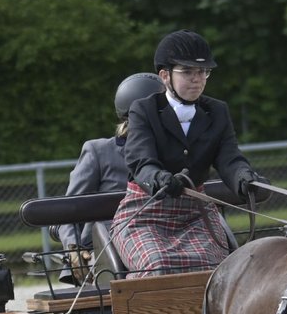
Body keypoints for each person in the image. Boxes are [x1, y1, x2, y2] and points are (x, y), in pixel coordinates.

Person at [111, 29, 266, 276]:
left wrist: (244, 178)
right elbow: (140, 160)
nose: (197, 79)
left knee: (214, 271)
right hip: (146, 212)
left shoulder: (217, 111)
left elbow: (229, 158)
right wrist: (160, 178)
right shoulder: (143, 110)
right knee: (158, 267)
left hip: (195, 214)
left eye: (203, 72)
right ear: (165, 75)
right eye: (188, 72)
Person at [56, 71, 165, 284]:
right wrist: (73, 247)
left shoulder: (175, 153)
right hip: (105, 248)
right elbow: (68, 210)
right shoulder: (98, 152)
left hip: (162, 239)